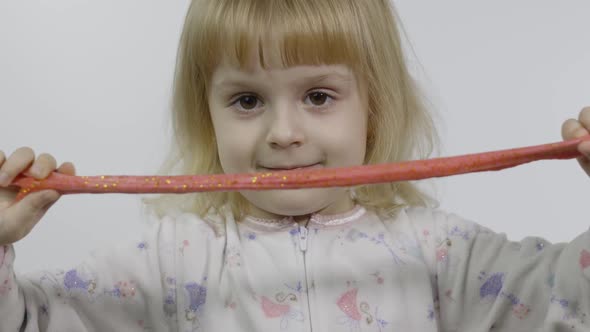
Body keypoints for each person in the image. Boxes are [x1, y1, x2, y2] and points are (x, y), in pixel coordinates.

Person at [1, 0, 589, 330]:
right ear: (207, 115)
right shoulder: (171, 258)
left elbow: (567, 301)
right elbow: (28, 320)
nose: (283, 134)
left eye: (318, 96)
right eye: (247, 100)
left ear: (374, 108)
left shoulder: (439, 252)